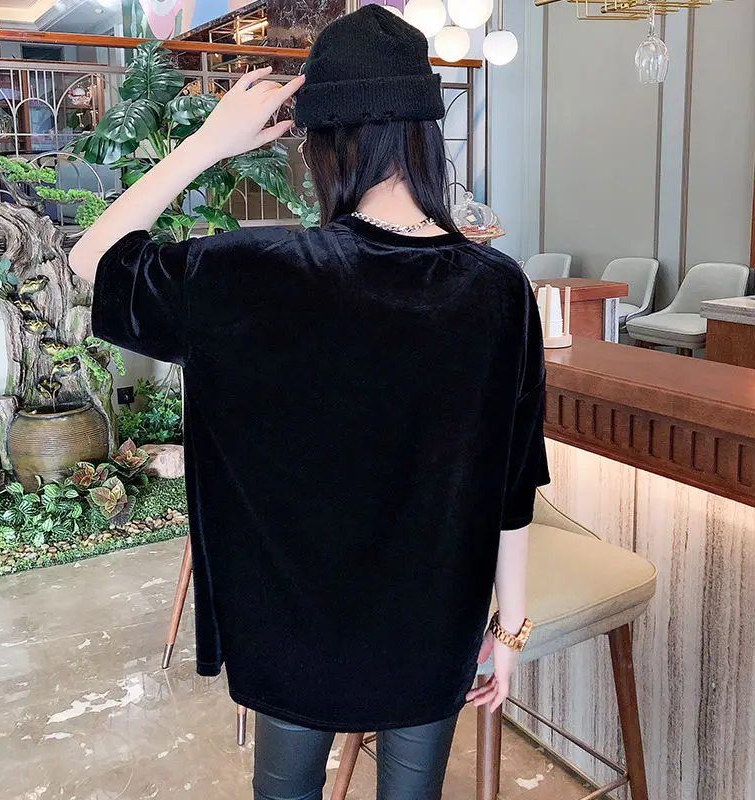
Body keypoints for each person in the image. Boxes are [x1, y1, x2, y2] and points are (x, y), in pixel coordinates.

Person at [70, 6, 548, 799]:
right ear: (427, 136)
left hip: (291, 621)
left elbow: (95, 259)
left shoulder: (254, 272)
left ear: (322, 145)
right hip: (432, 624)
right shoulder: (498, 288)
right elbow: (514, 478)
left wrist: (206, 144)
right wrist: (513, 627)